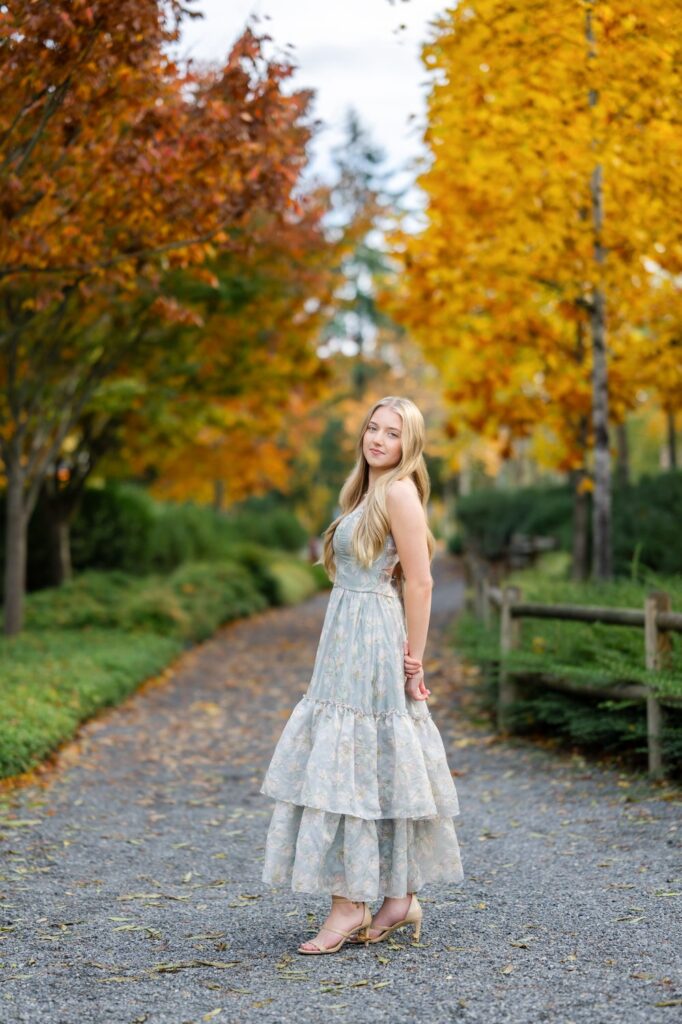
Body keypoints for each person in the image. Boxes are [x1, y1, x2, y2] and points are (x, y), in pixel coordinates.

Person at [259, 395, 464, 954]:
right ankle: (397, 899)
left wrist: (414, 659)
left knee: (357, 761)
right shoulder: (366, 492)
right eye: (373, 428)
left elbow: (420, 582)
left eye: (392, 433)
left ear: (409, 445)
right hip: (346, 635)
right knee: (370, 762)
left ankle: (349, 905)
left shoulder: (398, 492)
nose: (377, 439)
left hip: (372, 636)